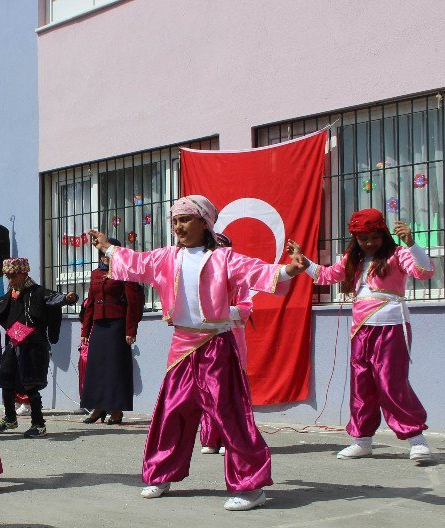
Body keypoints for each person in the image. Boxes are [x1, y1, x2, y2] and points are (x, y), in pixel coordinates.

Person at [90, 195, 307, 511]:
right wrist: (108, 248)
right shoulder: (167, 258)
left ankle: (251, 485)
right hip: (181, 346)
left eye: (186, 220)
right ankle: (160, 473)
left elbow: (258, 273)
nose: (178, 226)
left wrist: (290, 270)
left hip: (216, 345)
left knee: (230, 416)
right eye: (175, 220)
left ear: (204, 223)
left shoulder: (225, 259)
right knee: (171, 412)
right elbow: (136, 263)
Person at [288, 209, 434, 462]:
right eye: (363, 239)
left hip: (391, 325)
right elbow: (326, 275)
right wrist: (304, 262)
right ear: (355, 239)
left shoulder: (398, 255)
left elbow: (425, 271)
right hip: (360, 329)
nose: (369, 243)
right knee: (362, 384)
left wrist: (411, 243)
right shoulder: (351, 260)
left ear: (384, 235)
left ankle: (416, 438)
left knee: (391, 383)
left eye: (374, 237)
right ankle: (362, 440)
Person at [0, 258, 77, 438]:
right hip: (13, 344)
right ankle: (10, 418)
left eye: (13, 275)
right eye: (7, 276)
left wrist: (68, 298)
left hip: (34, 345)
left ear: (24, 273)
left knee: (30, 384)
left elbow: (55, 298)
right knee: (6, 379)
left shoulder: (39, 292)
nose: (10, 279)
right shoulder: (8, 296)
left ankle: (39, 424)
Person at [79, 239, 143, 425]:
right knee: (96, 367)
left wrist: (131, 329)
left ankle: (116, 409)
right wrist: (86, 329)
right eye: (102, 255)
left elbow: (134, 302)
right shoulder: (96, 274)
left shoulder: (125, 273)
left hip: (118, 324)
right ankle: (98, 407)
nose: (105, 258)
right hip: (99, 324)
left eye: (108, 255)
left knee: (115, 367)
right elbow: (90, 302)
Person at [199, 233, 251, 456]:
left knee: (229, 388)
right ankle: (210, 436)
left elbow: (246, 308)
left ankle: (230, 438)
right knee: (207, 386)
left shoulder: (238, 278)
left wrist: (218, 311)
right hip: (204, 337)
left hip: (231, 336)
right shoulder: (200, 277)